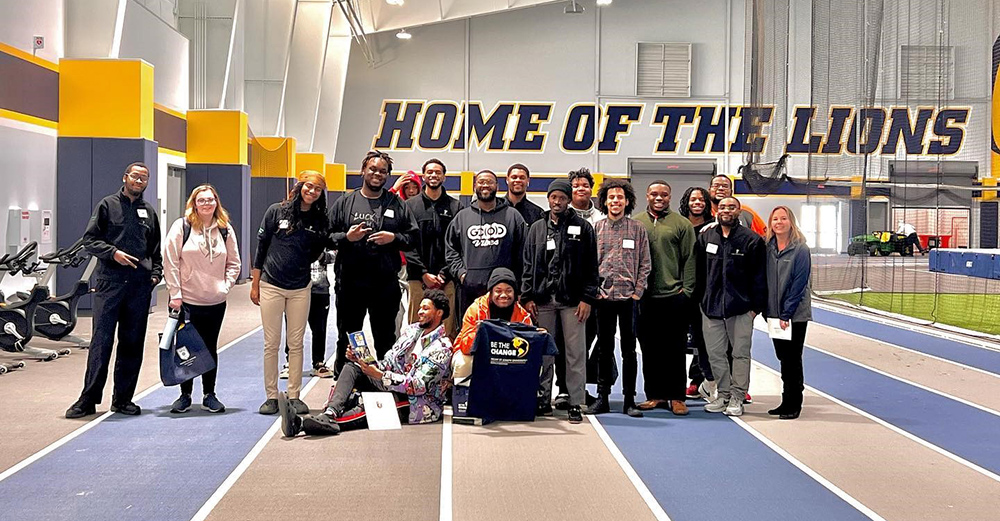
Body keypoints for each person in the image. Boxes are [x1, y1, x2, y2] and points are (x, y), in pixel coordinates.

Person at [280, 289, 453, 436]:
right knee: (351, 368)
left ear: (439, 313)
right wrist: (364, 362)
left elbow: (419, 385)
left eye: (426, 308)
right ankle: (330, 412)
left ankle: (304, 424)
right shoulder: (412, 331)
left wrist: (381, 376)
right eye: (420, 308)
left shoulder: (442, 348)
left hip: (417, 401)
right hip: (390, 383)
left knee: (370, 404)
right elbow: (389, 360)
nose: (420, 312)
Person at [66, 162, 163, 419]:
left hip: (139, 288)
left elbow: (155, 252)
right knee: (101, 342)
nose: (139, 181)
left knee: (132, 344)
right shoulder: (107, 206)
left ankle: (123, 399)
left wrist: (154, 277)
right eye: (135, 176)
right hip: (110, 284)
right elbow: (90, 240)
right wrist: (114, 253)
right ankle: (87, 400)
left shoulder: (149, 212)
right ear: (125, 178)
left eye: (144, 178)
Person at [328, 150, 420, 378]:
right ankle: (345, 385)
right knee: (349, 338)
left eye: (383, 171)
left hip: (385, 286)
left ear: (388, 175)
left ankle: (387, 387)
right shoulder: (345, 202)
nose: (377, 174)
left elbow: (413, 238)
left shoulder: (396, 204)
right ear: (363, 171)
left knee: (386, 339)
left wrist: (394, 238)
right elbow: (327, 237)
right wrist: (346, 238)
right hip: (350, 284)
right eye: (373, 169)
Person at [252, 171, 330, 415]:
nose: (312, 192)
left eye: (317, 189)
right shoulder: (277, 211)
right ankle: (272, 396)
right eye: (309, 186)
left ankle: (294, 395)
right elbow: (261, 248)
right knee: (271, 343)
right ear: (300, 186)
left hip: (300, 288)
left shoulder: (319, 219)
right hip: (271, 285)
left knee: (296, 343)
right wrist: (255, 285)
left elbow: (318, 250)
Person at [522, 179, 599, 423]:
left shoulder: (583, 227)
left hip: (573, 301)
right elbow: (527, 264)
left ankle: (576, 402)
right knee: (544, 352)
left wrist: (587, 298)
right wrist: (527, 296)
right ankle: (543, 398)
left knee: (575, 353)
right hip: (542, 300)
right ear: (548, 198)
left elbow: (591, 267)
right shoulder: (536, 228)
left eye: (562, 198)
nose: (558, 202)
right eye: (554, 197)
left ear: (568, 200)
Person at [163, 184, 242, 414]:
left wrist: (224, 287)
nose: (206, 204)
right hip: (187, 301)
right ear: (194, 203)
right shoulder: (182, 226)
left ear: (216, 202)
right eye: (202, 200)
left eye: (210, 200)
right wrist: (175, 294)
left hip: (215, 302)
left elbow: (234, 262)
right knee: (186, 348)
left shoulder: (225, 229)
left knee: (209, 348)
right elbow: (171, 261)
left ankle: (209, 394)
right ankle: (185, 395)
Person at [695, 197, 767, 417]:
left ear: (738, 211)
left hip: (741, 309)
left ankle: (737, 396)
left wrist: (755, 308)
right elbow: (699, 272)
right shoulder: (706, 236)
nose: (727, 210)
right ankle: (723, 394)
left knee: (740, 354)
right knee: (716, 354)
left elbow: (760, 277)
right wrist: (701, 301)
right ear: (718, 210)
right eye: (723, 207)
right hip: (711, 308)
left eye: (732, 207)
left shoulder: (752, 240)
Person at [585, 179, 650, 418]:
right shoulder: (596, 229)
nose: (615, 201)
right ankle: (602, 397)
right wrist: (595, 291)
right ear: (604, 201)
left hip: (629, 300)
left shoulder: (637, 229)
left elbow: (645, 263)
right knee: (604, 349)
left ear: (627, 201)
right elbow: (589, 264)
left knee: (629, 351)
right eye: (611, 197)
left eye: (620, 197)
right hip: (602, 299)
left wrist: (637, 292)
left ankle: (629, 399)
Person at [634, 180, 695, 416]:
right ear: (647, 195)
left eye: (664, 195)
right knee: (650, 348)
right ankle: (655, 395)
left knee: (675, 348)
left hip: (674, 296)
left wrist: (686, 291)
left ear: (670, 197)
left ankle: (677, 397)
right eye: (654, 194)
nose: (659, 198)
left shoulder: (682, 224)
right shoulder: (637, 223)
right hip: (645, 297)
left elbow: (690, 259)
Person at [445, 169, 526, 315]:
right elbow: (451, 249)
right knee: (471, 334)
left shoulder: (513, 216)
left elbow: (523, 253)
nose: (485, 185)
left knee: (502, 335)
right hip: (469, 290)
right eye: (481, 182)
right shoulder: (462, 217)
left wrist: (518, 285)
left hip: (503, 293)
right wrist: (462, 274)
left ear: (497, 186)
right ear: (474, 186)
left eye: (489, 182)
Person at [405, 158, 462, 339]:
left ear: (444, 177)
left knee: (447, 330)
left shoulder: (455, 207)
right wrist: (423, 273)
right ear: (423, 176)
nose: (433, 175)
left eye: (438, 172)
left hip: (447, 280)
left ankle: (445, 366)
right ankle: (412, 363)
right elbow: (407, 243)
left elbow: (458, 244)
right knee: (417, 326)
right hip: (418, 279)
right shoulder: (410, 206)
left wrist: (444, 274)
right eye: (430, 172)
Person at [765, 206, 812, 420]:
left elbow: (799, 283)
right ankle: (785, 400)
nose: (779, 222)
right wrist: (769, 312)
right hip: (774, 315)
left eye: (783, 218)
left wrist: (787, 313)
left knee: (793, 359)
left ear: (790, 222)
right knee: (782, 358)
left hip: (794, 315)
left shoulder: (801, 249)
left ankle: (795, 402)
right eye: (775, 219)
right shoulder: (768, 248)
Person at [451, 267, 533, 381]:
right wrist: (478, 332)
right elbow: (465, 347)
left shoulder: (523, 317)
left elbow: (529, 350)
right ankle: (463, 398)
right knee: (463, 362)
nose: (503, 295)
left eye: (509, 290)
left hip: (508, 357)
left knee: (535, 366)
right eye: (498, 291)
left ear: (515, 293)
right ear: (490, 292)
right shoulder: (476, 310)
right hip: (478, 355)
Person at [679, 186, 716, 400]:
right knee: (678, 342)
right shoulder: (680, 225)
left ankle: (708, 382)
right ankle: (676, 386)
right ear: (687, 201)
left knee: (704, 342)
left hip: (703, 293)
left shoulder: (712, 229)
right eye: (693, 199)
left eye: (702, 199)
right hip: (681, 291)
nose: (697, 202)